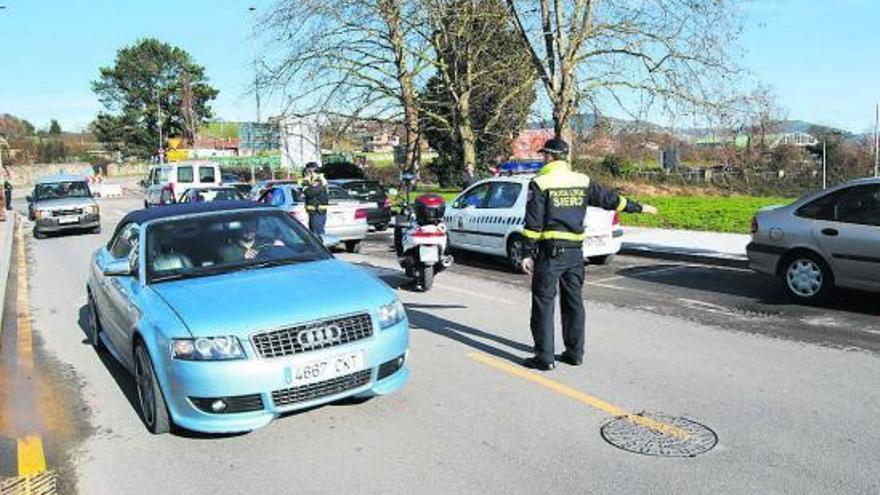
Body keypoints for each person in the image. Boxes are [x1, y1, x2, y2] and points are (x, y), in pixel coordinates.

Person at [520, 138, 658, 371]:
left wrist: (526, 253)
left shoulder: (540, 182)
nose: (542, 157)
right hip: (576, 254)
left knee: (544, 303)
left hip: (550, 253)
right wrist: (640, 207)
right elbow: (610, 200)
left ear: (550, 156)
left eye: (544, 154)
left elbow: (533, 223)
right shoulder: (582, 181)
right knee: (573, 303)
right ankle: (574, 353)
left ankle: (544, 357)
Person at [300, 162, 329, 235]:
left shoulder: (319, 180)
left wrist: (306, 181)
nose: (306, 173)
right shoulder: (313, 180)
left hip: (318, 211)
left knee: (318, 235)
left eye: (307, 171)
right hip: (313, 212)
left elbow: (309, 192)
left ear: (311, 170)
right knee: (313, 234)